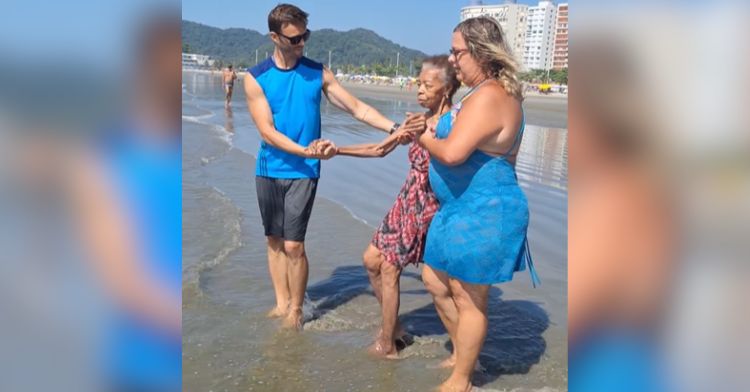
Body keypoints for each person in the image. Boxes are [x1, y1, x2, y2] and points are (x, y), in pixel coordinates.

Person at [244, 3, 423, 330]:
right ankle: (281, 301)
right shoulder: (256, 78)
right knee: (273, 240)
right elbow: (267, 132)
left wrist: (394, 129)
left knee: (294, 245)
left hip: (305, 172)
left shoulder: (318, 72)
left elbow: (357, 108)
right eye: (294, 39)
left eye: (305, 37)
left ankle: (296, 310)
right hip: (269, 168)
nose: (301, 44)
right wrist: (306, 149)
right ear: (274, 37)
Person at [416, 17, 540, 391]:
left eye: (458, 53)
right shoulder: (477, 93)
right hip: (456, 208)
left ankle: (463, 379)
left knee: (469, 297)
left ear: (482, 53)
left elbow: (452, 154)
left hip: (486, 209)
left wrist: (423, 136)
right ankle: (463, 353)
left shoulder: (490, 96)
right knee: (435, 281)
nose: (452, 60)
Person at [336, 55, 460, 358]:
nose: (419, 90)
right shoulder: (417, 120)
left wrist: (426, 132)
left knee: (389, 267)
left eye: (427, 85)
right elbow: (380, 149)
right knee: (370, 260)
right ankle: (397, 329)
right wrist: (335, 150)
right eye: (419, 83)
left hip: (426, 203)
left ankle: (387, 343)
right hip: (406, 198)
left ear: (445, 89)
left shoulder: (451, 123)